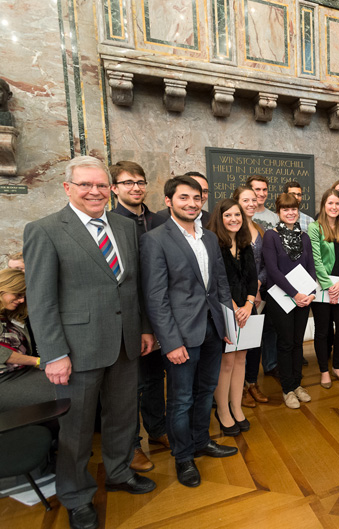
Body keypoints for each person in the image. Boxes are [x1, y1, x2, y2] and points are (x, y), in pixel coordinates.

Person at [24, 156, 157, 529]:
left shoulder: (124, 227)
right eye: (86, 185)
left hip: (126, 343)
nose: (95, 191)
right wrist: (53, 354)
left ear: (110, 189)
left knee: (122, 417)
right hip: (77, 349)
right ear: (68, 188)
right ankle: (76, 495)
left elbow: (134, 286)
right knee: (77, 429)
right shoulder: (45, 229)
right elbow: (42, 299)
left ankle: (118, 472)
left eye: (101, 185)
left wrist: (145, 328)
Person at [140, 175, 238, 490]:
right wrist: (169, 342)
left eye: (196, 198)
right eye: (184, 198)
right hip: (180, 336)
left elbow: (220, 284)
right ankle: (183, 457)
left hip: (212, 330)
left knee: (205, 391)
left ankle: (200, 441)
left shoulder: (209, 238)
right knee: (180, 400)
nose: (192, 204)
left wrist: (226, 324)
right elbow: (155, 297)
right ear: (169, 201)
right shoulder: (155, 239)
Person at [109, 160, 168, 473]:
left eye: (140, 181)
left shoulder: (160, 220)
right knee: (129, 385)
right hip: (129, 319)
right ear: (115, 188)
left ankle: (158, 431)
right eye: (128, 182)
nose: (136, 187)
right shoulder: (110, 223)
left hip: (160, 314)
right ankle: (132, 446)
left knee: (155, 377)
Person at [207, 198, 258, 437]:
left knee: (241, 360)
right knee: (226, 362)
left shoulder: (246, 244)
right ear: (220, 217)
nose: (234, 219)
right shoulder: (213, 244)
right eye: (228, 215)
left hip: (247, 310)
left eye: (237, 215)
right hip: (225, 310)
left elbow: (252, 279)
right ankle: (223, 411)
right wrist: (235, 307)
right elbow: (218, 282)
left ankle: (237, 407)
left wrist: (248, 305)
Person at [263, 193, 317, 409]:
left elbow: (311, 266)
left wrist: (311, 292)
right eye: (285, 209)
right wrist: (295, 294)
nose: (290, 212)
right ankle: (287, 389)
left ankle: (297, 384)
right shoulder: (271, 236)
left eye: (293, 208)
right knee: (285, 344)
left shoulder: (304, 236)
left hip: (304, 298)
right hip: (281, 298)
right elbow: (273, 270)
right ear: (278, 212)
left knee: (297, 342)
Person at [308, 189, 339, 389]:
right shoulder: (314, 228)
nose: (334, 207)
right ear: (323, 206)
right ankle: (324, 371)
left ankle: (337, 366)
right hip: (321, 286)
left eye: (337, 204)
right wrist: (328, 286)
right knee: (323, 330)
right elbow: (316, 259)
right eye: (330, 203)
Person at [233, 185, 272, 407]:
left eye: (253, 200)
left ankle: (251, 384)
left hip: (259, 295)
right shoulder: (232, 228)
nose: (251, 204)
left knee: (255, 343)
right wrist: (249, 291)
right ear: (236, 202)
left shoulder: (260, 228)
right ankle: (238, 391)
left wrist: (258, 285)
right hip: (238, 298)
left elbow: (266, 263)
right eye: (245, 200)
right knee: (239, 347)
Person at [0, 268, 56, 413]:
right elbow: (2, 353)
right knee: (61, 392)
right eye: (18, 295)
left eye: (23, 296)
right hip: (5, 380)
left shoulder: (11, 315)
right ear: (4, 289)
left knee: (73, 385)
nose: (22, 300)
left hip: (24, 372)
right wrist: (36, 361)